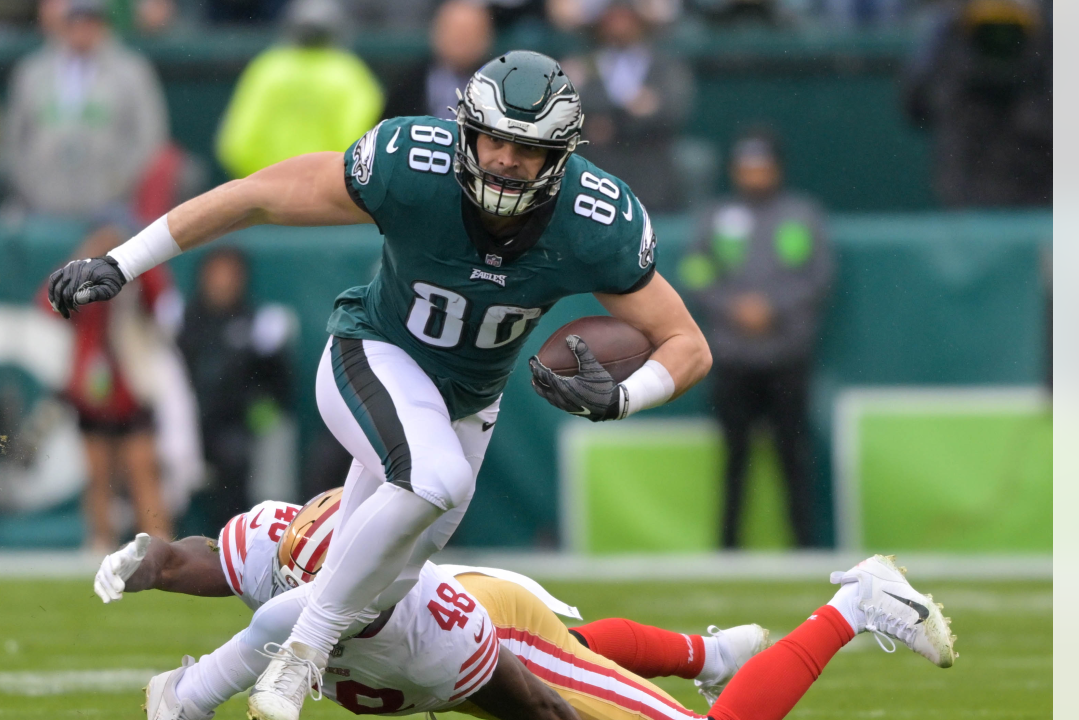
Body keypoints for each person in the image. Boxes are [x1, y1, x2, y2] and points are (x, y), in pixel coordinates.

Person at [46, 50, 712, 720]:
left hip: (468, 406)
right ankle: (300, 659)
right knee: (436, 481)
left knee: (366, 593)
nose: (506, 160)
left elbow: (688, 344)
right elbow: (258, 194)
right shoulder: (413, 167)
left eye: (526, 148)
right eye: (494, 139)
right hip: (374, 354)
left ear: (558, 158)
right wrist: (124, 260)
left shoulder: (594, 220)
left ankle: (188, 695)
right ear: (467, 131)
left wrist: (626, 397)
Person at [93, 488, 956, 720]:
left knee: (571, 666)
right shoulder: (290, 547)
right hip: (481, 613)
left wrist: (194, 693)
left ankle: (859, 605)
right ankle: (711, 656)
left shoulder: (430, 637)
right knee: (579, 649)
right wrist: (148, 561)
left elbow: (539, 704)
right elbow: (209, 562)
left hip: (490, 628)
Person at [678, 129, 833, 549]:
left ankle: (805, 547)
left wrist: (772, 308)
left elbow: (819, 277)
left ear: (777, 169)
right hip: (733, 357)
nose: (755, 175)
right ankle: (728, 547)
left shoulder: (802, 214)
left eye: (762, 167)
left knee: (794, 458)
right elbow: (695, 271)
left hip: (787, 357)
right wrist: (733, 306)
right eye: (747, 167)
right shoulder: (716, 216)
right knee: (734, 459)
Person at [43, 228, 178, 551]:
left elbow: (159, 304)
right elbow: (50, 306)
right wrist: (82, 260)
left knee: (142, 470)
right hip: (93, 392)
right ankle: (100, 540)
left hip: (132, 388)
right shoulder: (81, 278)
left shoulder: (139, 274)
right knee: (97, 474)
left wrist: (126, 263)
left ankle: (158, 542)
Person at [0, 0, 169, 220]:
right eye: (75, 21)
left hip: (110, 205)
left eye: (90, 20)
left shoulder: (132, 71)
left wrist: (118, 182)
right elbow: (12, 138)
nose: (82, 29)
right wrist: (32, 184)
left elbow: (150, 137)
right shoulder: (32, 71)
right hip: (39, 204)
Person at [178, 247, 296, 523]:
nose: (222, 282)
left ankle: (231, 540)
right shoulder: (182, 322)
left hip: (234, 425)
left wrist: (258, 416)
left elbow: (279, 386)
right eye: (216, 274)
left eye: (230, 274)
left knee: (234, 456)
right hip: (184, 423)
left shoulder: (260, 325)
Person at [902, 0, 1051, 208]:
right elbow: (916, 104)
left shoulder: (1047, 33)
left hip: (1040, 201)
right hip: (969, 195)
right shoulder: (950, 31)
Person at [215, 0, 383, 180]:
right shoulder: (349, 75)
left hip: (269, 196)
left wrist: (266, 182)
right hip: (330, 195)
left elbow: (237, 144)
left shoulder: (268, 70)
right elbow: (364, 144)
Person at [563, 0, 694, 211]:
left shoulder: (664, 66)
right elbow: (573, 112)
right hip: (599, 165)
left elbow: (672, 110)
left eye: (626, 18)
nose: (619, 26)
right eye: (612, 19)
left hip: (649, 164)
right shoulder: (583, 65)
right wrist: (631, 111)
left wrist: (615, 122)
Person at [383, 0, 494, 120]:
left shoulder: (497, 86)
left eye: (470, 33)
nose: (460, 39)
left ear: (486, 39)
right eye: (454, 30)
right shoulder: (408, 83)